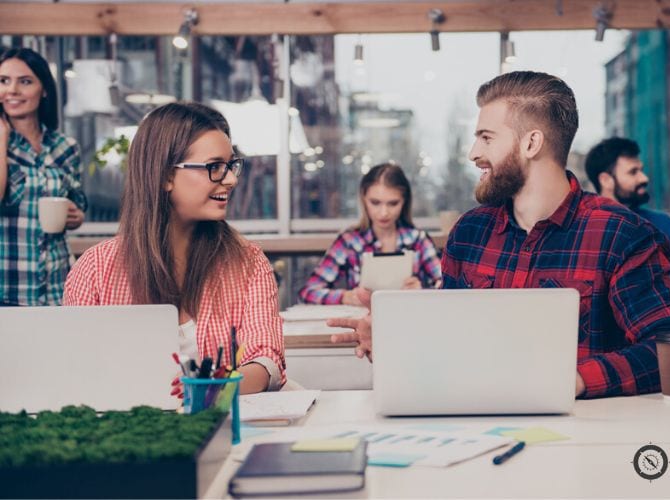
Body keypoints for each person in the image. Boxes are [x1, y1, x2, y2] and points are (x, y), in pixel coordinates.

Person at [331, 71, 670, 398]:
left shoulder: (620, 234)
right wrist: (395, 344)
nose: (474, 153)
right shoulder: (469, 234)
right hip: (478, 431)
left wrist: (575, 379)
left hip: (584, 442)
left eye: (486, 138)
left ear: (531, 143)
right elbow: (452, 348)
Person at [63, 102, 285, 395]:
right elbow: (73, 368)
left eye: (231, 166)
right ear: (166, 175)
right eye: (214, 167)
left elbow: (266, 359)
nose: (230, 179)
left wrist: (215, 388)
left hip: (221, 427)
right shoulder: (96, 269)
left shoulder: (248, 262)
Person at [0, 47, 86, 306]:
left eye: (24, 81)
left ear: (44, 89)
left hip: (57, 287)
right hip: (8, 289)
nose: (12, 90)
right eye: (4, 81)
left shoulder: (65, 147)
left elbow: (78, 201)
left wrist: (76, 216)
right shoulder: (2, 144)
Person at [298, 162, 442, 305]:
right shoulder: (349, 241)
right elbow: (308, 292)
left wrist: (423, 292)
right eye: (375, 202)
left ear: (404, 202)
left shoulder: (419, 240)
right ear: (363, 199)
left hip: (410, 322)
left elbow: (448, 288)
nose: (384, 213)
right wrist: (345, 296)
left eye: (393, 203)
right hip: (362, 323)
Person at [585, 137, 670, 294]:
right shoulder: (586, 228)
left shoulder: (662, 223)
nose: (644, 178)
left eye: (641, 170)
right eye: (633, 172)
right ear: (606, 180)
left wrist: (644, 289)